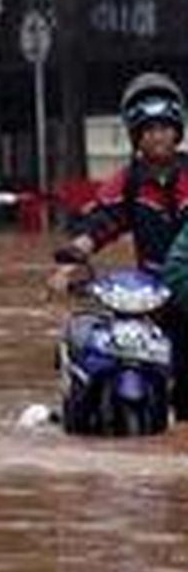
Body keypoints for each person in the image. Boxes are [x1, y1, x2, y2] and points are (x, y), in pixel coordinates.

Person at [49, 72, 188, 415]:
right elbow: (100, 223)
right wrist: (72, 259)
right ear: (136, 137)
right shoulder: (127, 183)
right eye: (149, 130)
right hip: (149, 298)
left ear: (178, 131)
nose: (158, 136)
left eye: (164, 127)